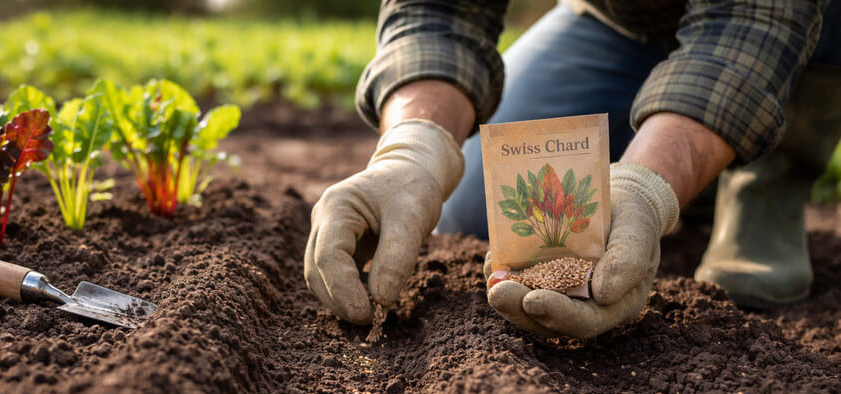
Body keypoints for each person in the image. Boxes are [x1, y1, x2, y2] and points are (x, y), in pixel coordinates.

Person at [304, 0, 841, 338]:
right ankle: (692, 164)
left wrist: (646, 189)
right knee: (476, 211)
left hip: (780, 21)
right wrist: (414, 148)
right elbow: (438, 11)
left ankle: (773, 169)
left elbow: (752, 24)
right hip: (625, 19)